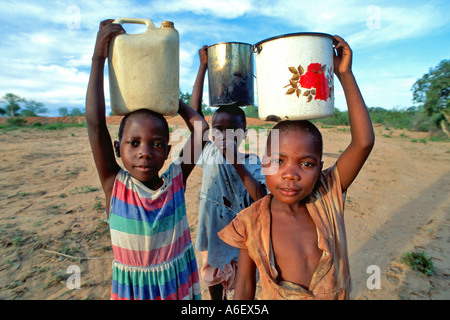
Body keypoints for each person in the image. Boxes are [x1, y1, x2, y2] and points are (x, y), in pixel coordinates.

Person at [218, 35, 375, 299]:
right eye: (278, 161)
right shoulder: (249, 222)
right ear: (263, 163)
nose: (290, 174)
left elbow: (363, 142)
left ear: (320, 169)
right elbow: (244, 286)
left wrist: (344, 74)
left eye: (306, 163)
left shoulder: (328, 196)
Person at [85, 19, 209, 300]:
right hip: (135, 292)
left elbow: (201, 130)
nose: (145, 151)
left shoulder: (176, 179)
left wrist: (169, 97)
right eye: (134, 143)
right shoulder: (114, 184)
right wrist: (98, 57)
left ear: (167, 150)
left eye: (156, 144)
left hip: (176, 286)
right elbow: (95, 124)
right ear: (117, 148)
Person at [190, 46, 267, 299]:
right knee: (211, 278)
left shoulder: (254, 164)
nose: (224, 135)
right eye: (218, 129)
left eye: (232, 130)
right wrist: (202, 68)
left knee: (244, 285)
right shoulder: (208, 153)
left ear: (243, 133)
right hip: (212, 233)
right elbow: (194, 116)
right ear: (211, 133)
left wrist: (236, 162)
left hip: (241, 240)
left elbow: (260, 199)